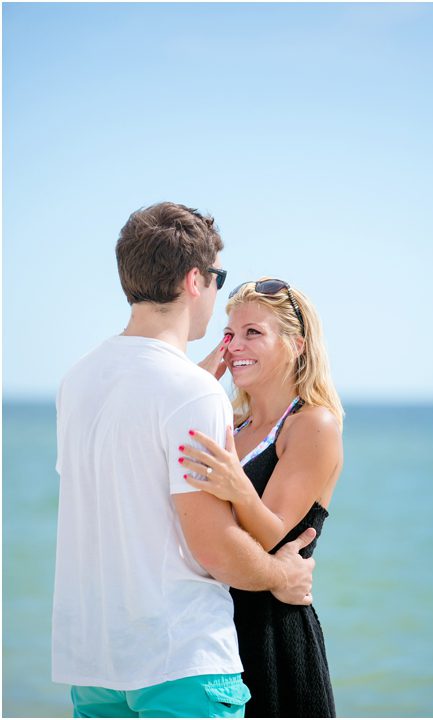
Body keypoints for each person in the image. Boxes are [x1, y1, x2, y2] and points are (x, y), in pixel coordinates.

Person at [53, 203, 317, 718]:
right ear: (196, 280)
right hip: (180, 665)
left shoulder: (78, 380)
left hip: (94, 668)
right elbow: (214, 547)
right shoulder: (192, 392)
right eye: (219, 278)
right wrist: (279, 576)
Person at [180, 278, 343, 717]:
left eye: (254, 332)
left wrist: (236, 482)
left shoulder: (313, 424)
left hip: (274, 635)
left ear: (296, 344)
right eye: (230, 334)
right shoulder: (229, 422)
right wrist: (200, 384)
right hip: (212, 631)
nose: (235, 345)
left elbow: (275, 535)